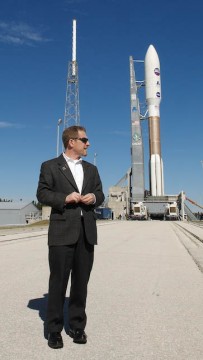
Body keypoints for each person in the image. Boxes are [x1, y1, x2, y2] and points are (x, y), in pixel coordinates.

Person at [37, 125, 104, 349]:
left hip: (86, 233)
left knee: (81, 283)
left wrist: (93, 198)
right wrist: (65, 197)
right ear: (71, 142)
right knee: (58, 282)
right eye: (84, 140)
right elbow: (43, 193)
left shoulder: (92, 169)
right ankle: (54, 329)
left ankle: (77, 326)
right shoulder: (50, 166)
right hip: (62, 232)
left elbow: (101, 193)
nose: (88, 144)